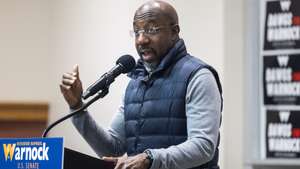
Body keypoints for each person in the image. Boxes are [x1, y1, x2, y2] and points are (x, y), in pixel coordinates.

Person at [60, 1, 222, 169]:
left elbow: (203, 146)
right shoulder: (135, 84)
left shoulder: (198, 76)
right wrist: (77, 107)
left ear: (174, 32)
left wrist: (149, 158)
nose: (142, 40)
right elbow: (112, 149)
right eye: (137, 32)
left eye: (151, 30)